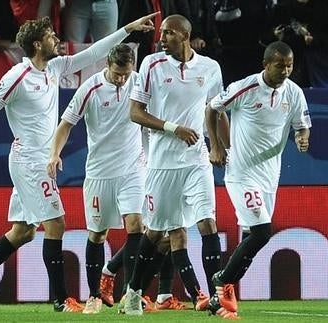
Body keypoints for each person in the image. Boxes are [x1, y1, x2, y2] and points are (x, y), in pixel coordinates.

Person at [0, 13, 158, 313]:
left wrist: (128, 29)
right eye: (50, 35)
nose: (56, 38)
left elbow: (93, 54)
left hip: (39, 161)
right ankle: (60, 300)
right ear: (36, 43)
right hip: (29, 161)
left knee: (23, 231)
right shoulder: (17, 76)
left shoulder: (54, 67)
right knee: (56, 224)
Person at [121, 14, 223, 315]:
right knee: (154, 232)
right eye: (161, 33)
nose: (160, 38)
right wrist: (172, 128)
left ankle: (217, 294)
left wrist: (218, 145)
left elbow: (215, 110)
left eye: (166, 33)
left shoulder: (210, 68)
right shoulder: (151, 65)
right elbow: (136, 113)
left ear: (183, 35)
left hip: (196, 161)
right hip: (162, 163)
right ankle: (133, 291)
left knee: (207, 222)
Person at [205, 40, 311, 320]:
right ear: (266, 64)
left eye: (289, 65)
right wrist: (215, 146)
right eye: (280, 66)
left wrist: (302, 138)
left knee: (255, 238)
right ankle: (223, 284)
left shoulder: (294, 92)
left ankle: (219, 294)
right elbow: (212, 109)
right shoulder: (247, 87)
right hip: (242, 173)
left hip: (269, 176)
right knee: (263, 231)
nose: (286, 71)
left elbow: (302, 125)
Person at [47, 43, 146, 314]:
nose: (122, 79)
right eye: (117, 74)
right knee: (98, 234)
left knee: (137, 226)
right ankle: (94, 295)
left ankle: (132, 292)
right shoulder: (90, 88)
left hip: (133, 168)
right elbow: (65, 125)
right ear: (107, 66)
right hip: (100, 173)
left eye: (126, 74)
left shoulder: (139, 82)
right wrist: (55, 154)